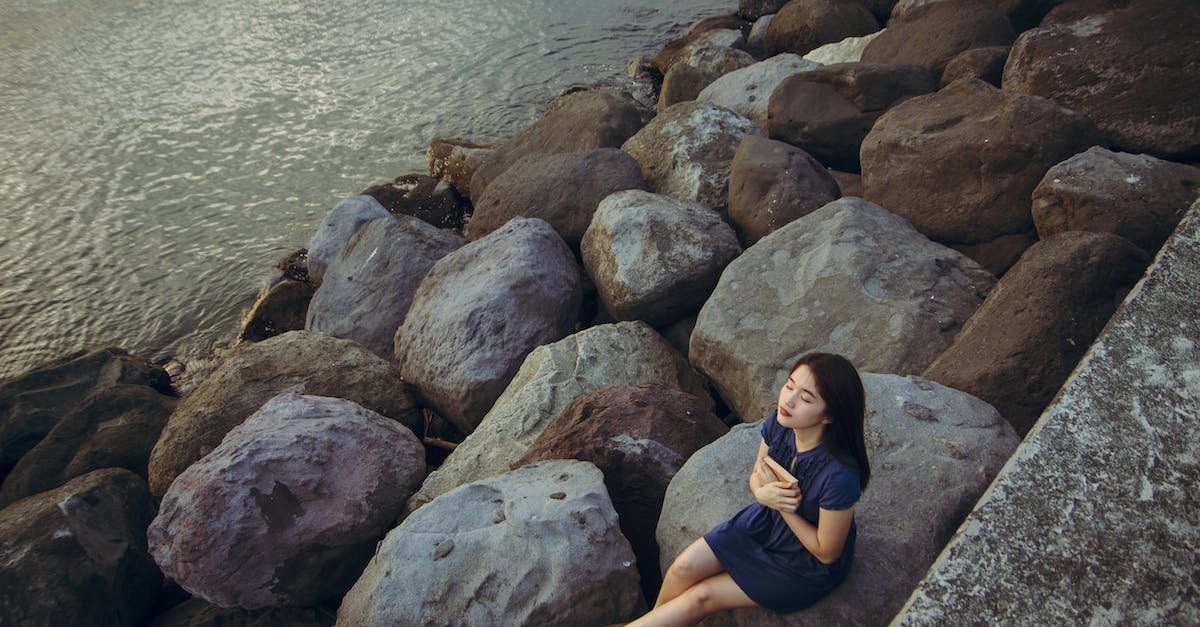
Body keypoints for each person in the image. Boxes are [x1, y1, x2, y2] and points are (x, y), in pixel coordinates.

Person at [629, 352, 870, 626]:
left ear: (830, 416)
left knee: (702, 597)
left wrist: (780, 506)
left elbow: (827, 552)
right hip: (764, 524)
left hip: (803, 564)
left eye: (805, 398)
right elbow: (758, 474)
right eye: (789, 385)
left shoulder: (838, 476)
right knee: (682, 568)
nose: (788, 400)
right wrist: (760, 493)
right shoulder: (780, 425)